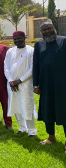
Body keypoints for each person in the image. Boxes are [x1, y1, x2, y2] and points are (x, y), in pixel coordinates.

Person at [33, 19, 66, 150]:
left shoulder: (64, 41)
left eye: (49, 28)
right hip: (45, 84)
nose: (47, 31)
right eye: (44, 29)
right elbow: (36, 65)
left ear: (53, 27)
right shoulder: (38, 44)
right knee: (47, 110)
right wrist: (36, 84)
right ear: (41, 31)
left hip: (62, 85)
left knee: (64, 111)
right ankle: (51, 137)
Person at [4, 31, 37, 137]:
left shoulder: (31, 50)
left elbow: (33, 68)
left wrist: (19, 81)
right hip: (12, 85)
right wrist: (11, 81)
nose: (17, 40)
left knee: (27, 106)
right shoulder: (10, 51)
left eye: (19, 38)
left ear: (24, 38)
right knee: (16, 105)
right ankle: (22, 128)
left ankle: (32, 131)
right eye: (15, 39)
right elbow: (6, 67)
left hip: (25, 84)